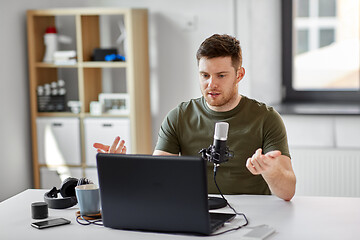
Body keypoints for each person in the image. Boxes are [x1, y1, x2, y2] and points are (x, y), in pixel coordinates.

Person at [94, 34, 296, 201]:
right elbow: (157, 177)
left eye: (221, 75)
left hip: (253, 215)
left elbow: (288, 192)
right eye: (205, 75)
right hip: (195, 211)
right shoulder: (179, 116)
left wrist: (270, 171)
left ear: (239, 75)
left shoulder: (266, 118)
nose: (211, 84)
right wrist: (119, 167)